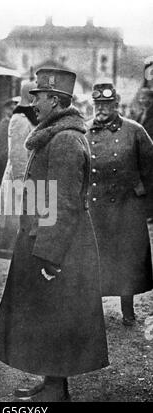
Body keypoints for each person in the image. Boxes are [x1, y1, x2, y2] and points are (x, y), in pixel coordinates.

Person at [0, 68, 109, 402]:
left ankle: (56, 391)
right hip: (44, 240)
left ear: (55, 100)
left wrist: (50, 256)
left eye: (38, 97)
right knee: (46, 316)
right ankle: (51, 381)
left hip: (58, 247)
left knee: (55, 316)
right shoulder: (55, 136)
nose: (34, 104)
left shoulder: (65, 141)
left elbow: (65, 204)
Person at [87, 82, 153, 326]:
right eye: (98, 105)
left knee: (127, 260)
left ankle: (128, 310)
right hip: (95, 206)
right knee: (95, 259)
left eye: (106, 104)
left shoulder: (134, 131)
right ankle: (93, 310)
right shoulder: (84, 132)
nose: (101, 109)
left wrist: (146, 204)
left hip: (127, 208)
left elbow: (150, 168)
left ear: (116, 105)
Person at [0, 80, 38, 259]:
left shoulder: (30, 117)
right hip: (19, 181)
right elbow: (18, 155)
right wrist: (22, 185)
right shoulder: (19, 119)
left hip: (31, 179)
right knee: (17, 224)